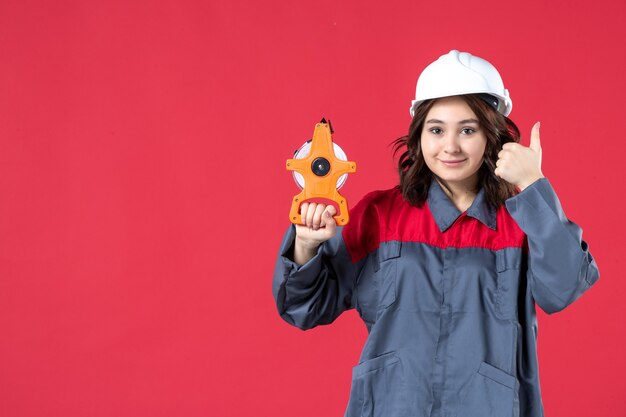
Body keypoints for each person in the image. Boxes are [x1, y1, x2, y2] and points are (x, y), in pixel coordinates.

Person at [272, 50, 599, 417]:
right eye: (437, 129)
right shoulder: (380, 216)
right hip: (392, 406)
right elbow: (305, 307)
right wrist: (305, 243)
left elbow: (564, 287)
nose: (451, 146)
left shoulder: (522, 222)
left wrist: (534, 185)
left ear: (493, 135)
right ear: (418, 134)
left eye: (468, 129)